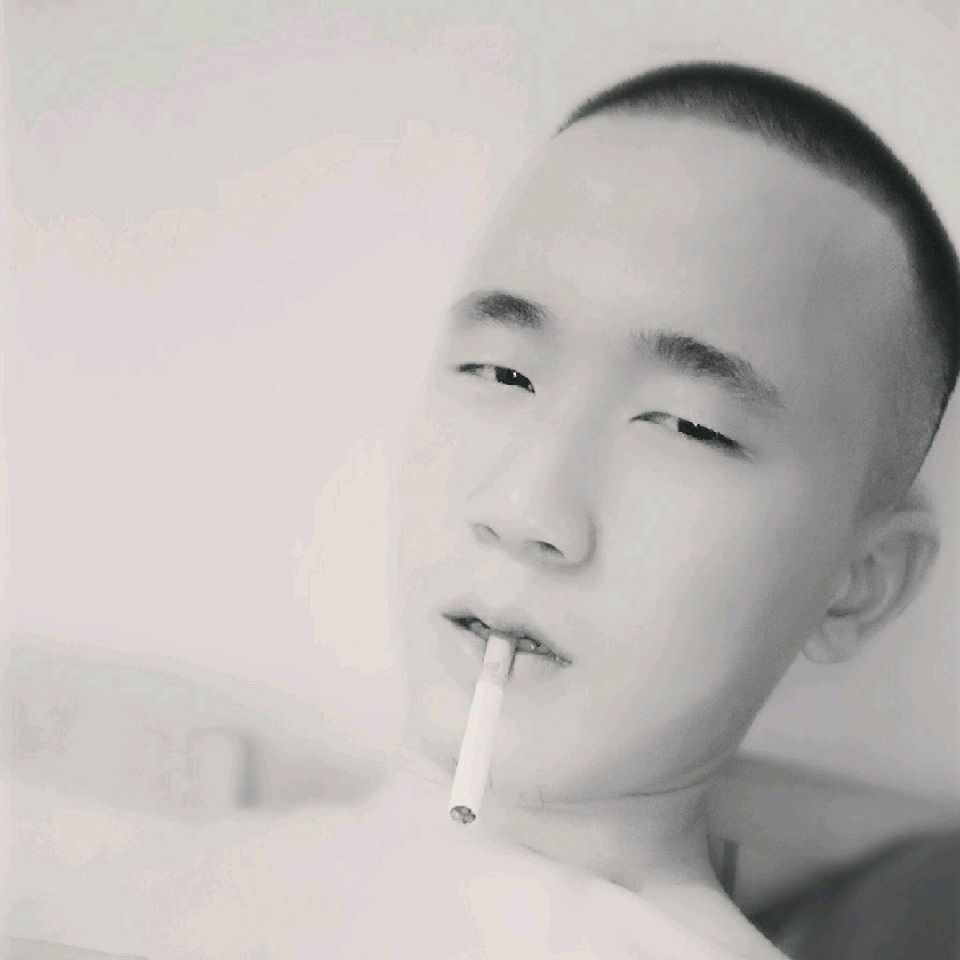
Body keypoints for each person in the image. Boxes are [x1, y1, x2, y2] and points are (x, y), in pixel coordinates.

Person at [7, 61, 958, 960]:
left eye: (687, 428)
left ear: (859, 586)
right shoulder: (95, 866)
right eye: (500, 373)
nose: (524, 506)